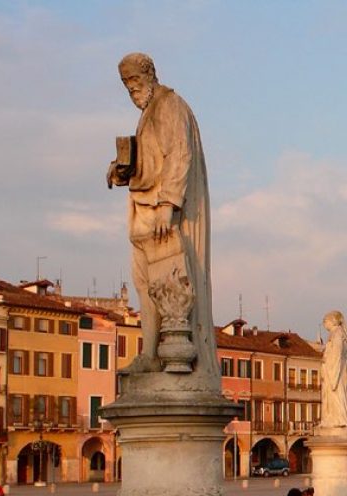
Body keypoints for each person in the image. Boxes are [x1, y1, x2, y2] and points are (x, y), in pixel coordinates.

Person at [106, 52, 218, 386]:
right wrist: (122, 168)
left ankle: (173, 351)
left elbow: (179, 153)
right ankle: (150, 353)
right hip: (144, 212)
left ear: (150, 75)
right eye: (126, 85)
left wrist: (168, 204)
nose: (131, 90)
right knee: (145, 284)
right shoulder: (147, 116)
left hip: (164, 214)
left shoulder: (170, 105)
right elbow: (151, 162)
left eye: (135, 82)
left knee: (167, 282)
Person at [318, 311, 347, 430]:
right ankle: (331, 419)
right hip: (334, 371)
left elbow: (337, 354)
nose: (324, 324)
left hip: (335, 372)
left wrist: (333, 375)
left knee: (335, 396)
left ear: (332, 321)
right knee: (332, 397)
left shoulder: (337, 334)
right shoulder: (338, 334)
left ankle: (337, 420)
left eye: (325, 321)